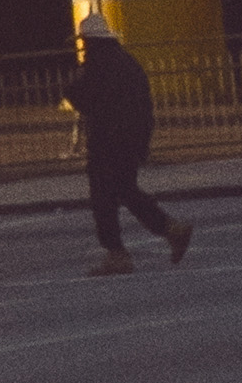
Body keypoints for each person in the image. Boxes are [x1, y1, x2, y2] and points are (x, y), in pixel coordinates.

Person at [65, 20, 192, 272]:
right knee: (125, 189)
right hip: (132, 139)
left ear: (90, 41)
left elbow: (79, 96)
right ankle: (169, 229)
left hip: (107, 139)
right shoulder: (128, 62)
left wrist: (77, 78)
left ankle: (118, 252)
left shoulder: (96, 66)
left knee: (103, 197)